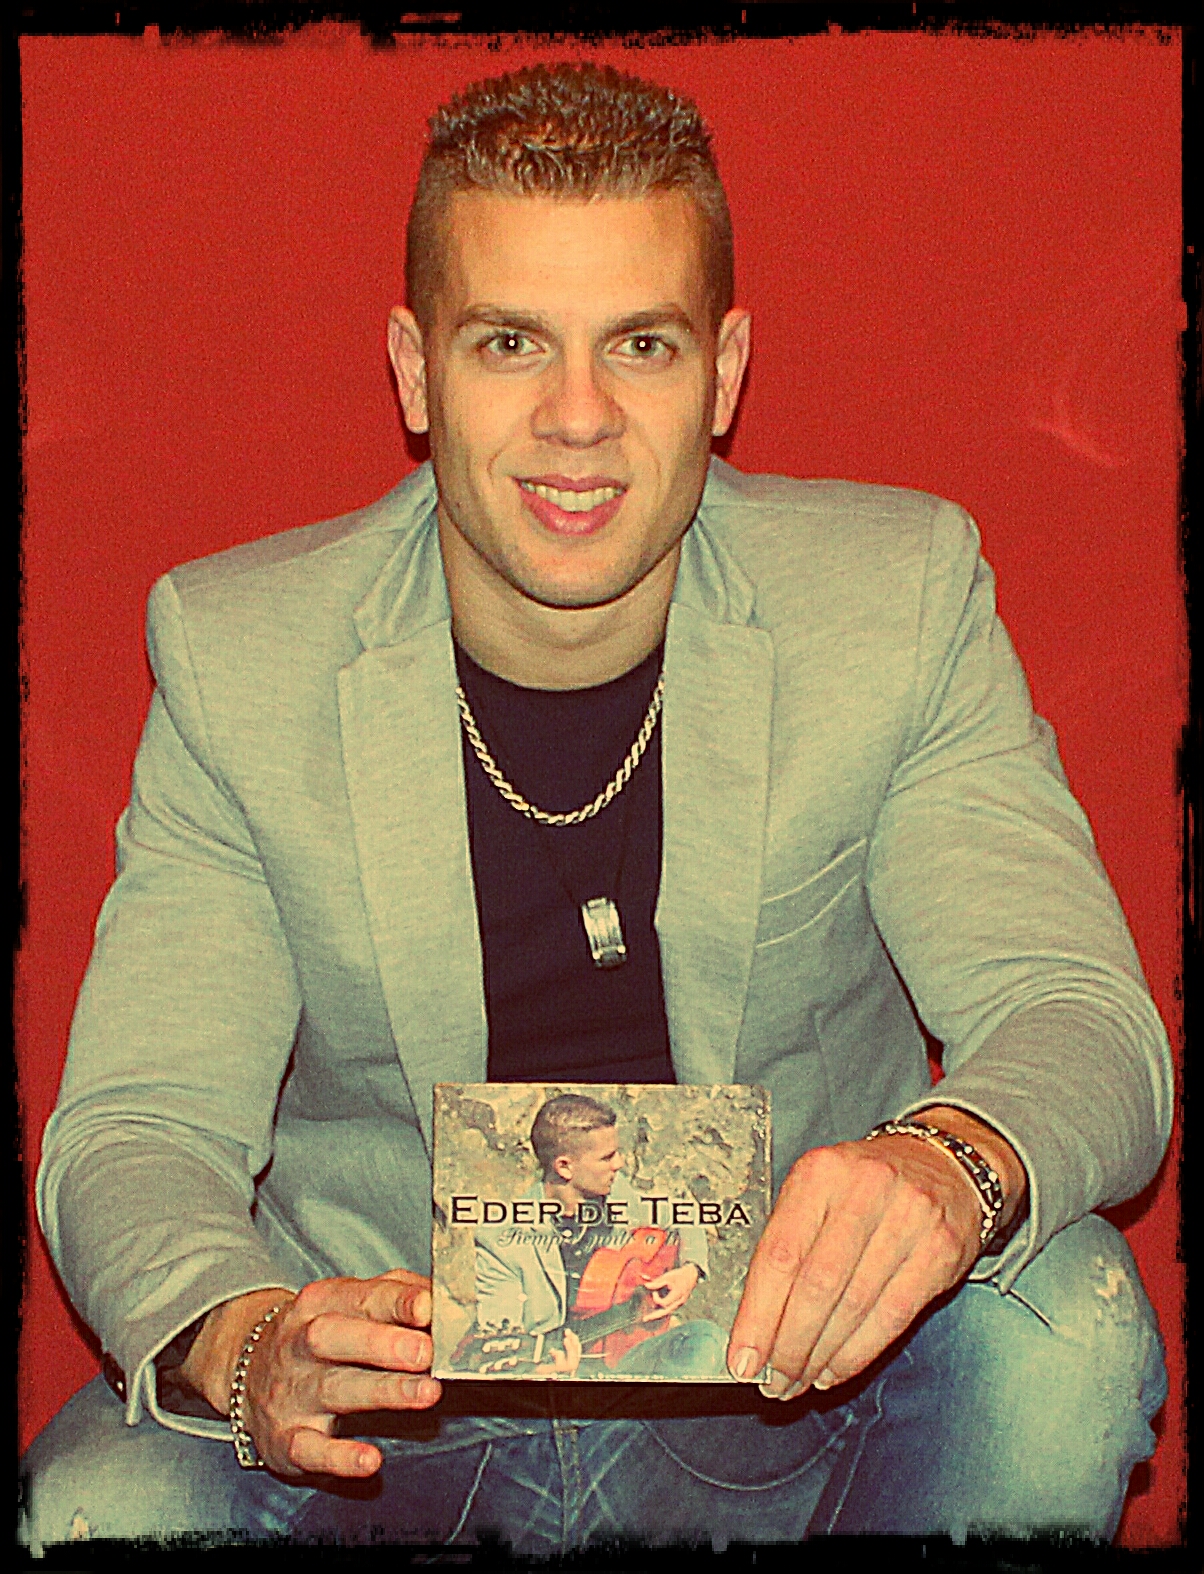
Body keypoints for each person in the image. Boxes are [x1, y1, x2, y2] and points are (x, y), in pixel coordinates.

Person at [20, 61, 1170, 1553]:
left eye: (641, 344)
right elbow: (137, 1125)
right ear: (415, 370)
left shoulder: (893, 602)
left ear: (725, 370)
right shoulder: (242, 656)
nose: (579, 418)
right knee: (102, 1499)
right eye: (510, 342)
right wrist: (250, 1347)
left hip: (791, 1393)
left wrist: (942, 1165)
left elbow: (1080, 1012)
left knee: (1069, 1323)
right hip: (390, 1437)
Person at [462, 1092, 726, 1380]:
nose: (620, 1163)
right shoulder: (502, 1239)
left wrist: (690, 1270)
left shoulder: (617, 1193)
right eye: (607, 1157)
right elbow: (499, 1338)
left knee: (707, 1338)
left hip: (623, 1355)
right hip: (558, 1375)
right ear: (564, 1166)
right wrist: (543, 1370)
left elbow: (683, 1213)